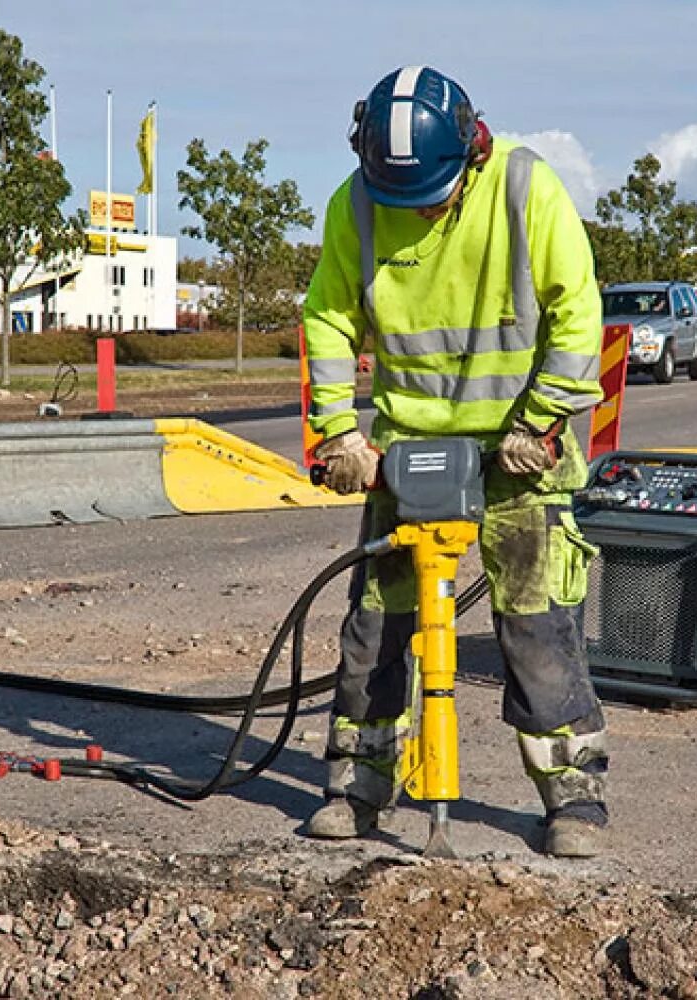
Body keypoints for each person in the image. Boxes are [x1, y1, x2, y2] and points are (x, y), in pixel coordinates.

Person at [301, 66, 609, 857]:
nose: (418, 212)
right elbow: (330, 319)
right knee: (376, 625)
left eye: (430, 195)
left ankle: (572, 796)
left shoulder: (525, 189)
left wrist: (541, 423)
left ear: (471, 149)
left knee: (539, 628)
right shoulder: (358, 203)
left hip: (520, 452)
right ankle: (360, 783)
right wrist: (339, 433)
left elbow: (579, 312)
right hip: (407, 452)